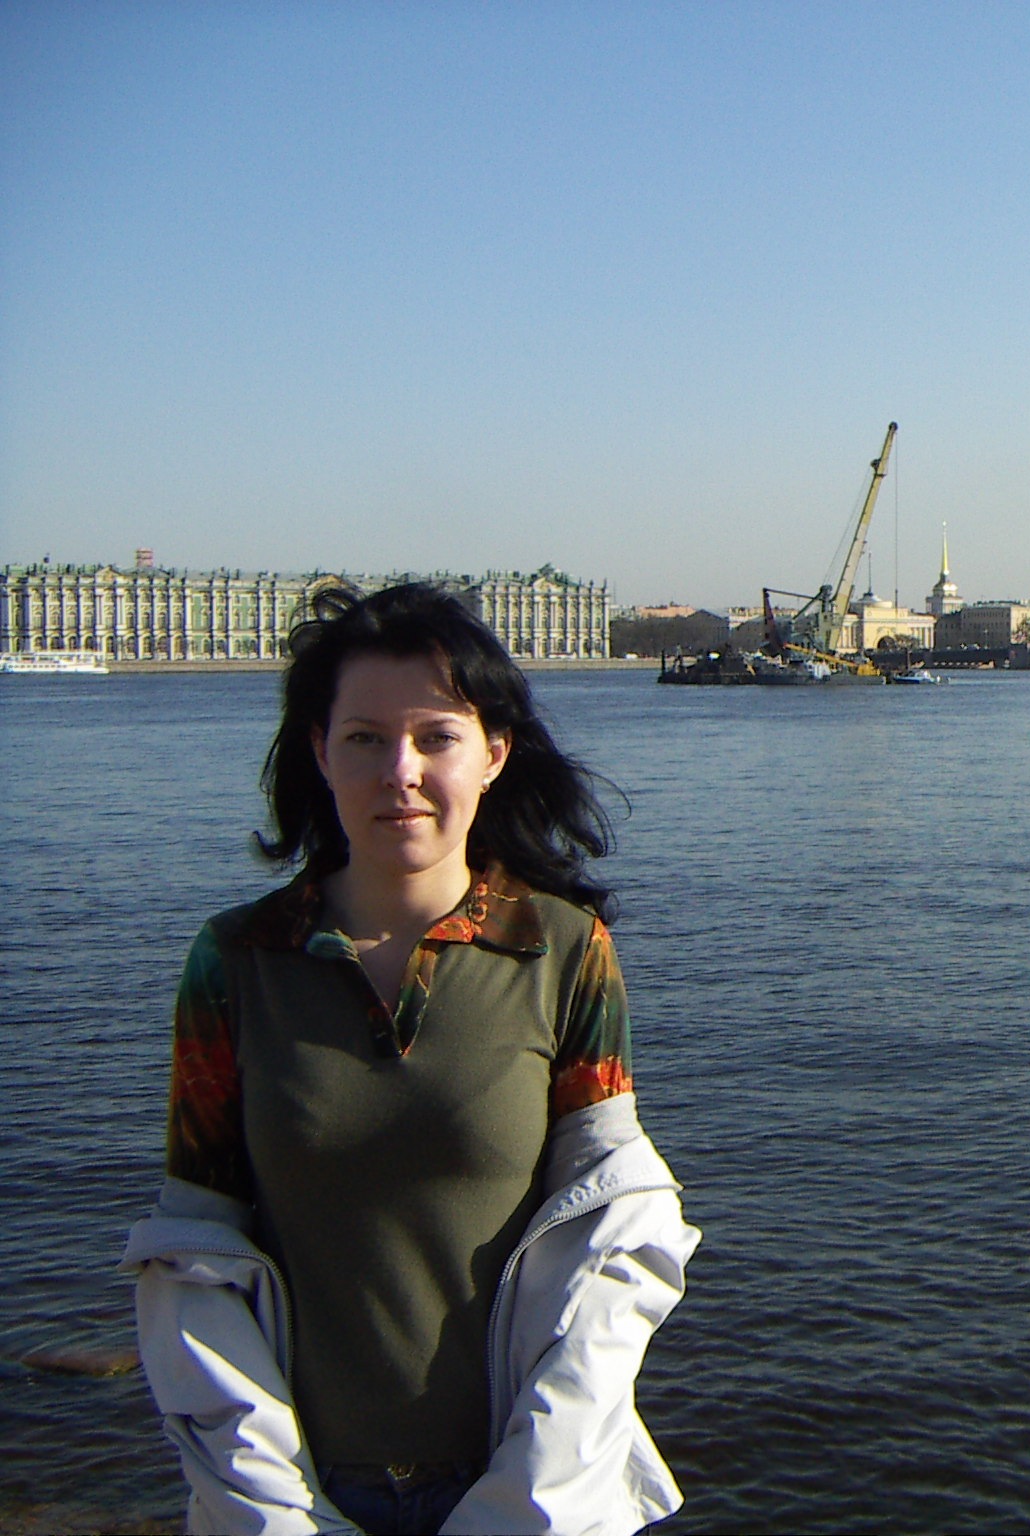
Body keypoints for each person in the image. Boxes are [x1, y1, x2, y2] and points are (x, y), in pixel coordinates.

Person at [122, 583, 700, 1536]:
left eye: (437, 737)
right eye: (365, 738)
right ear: (320, 751)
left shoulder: (565, 953)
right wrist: (276, 1508)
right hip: (294, 1494)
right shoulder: (235, 964)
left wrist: (521, 1502)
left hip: (524, 1486)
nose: (401, 771)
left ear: (493, 754)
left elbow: (616, 1245)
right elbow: (192, 1254)